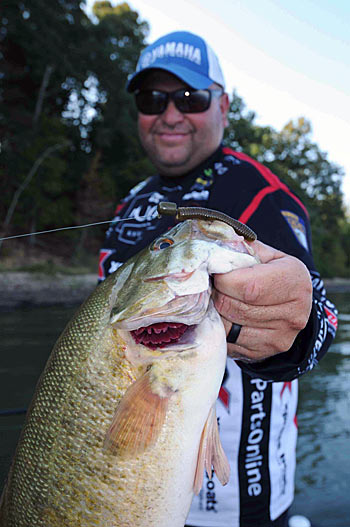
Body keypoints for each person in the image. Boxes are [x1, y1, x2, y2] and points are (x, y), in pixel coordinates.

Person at [99, 31, 337, 527]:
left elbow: (321, 319)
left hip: (237, 504)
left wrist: (298, 327)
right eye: (151, 99)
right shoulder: (130, 202)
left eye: (190, 97)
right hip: (123, 482)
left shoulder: (259, 196)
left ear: (223, 106)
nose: (169, 114)